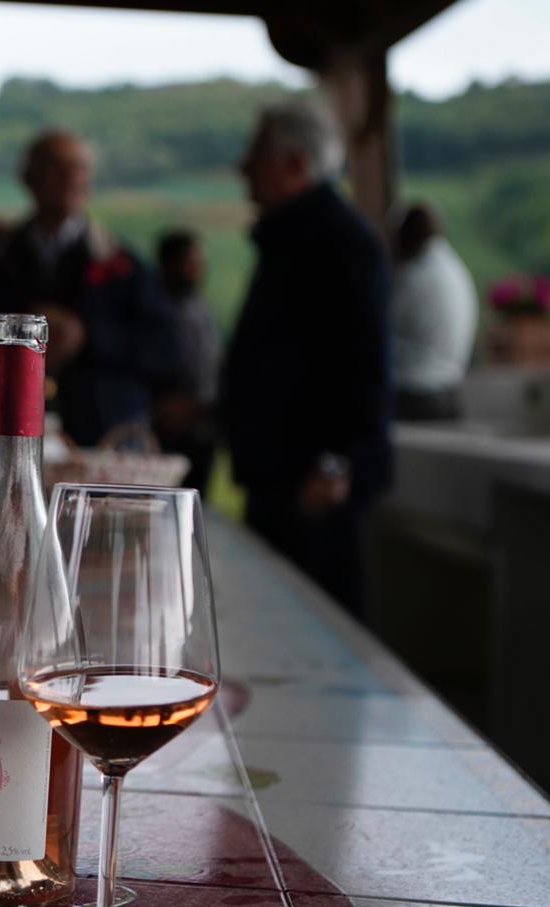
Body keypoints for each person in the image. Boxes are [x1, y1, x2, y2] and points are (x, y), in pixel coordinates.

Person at [221, 97, 393, 618]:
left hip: (315, 486)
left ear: (295, 163)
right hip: (283, 477)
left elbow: (363, 365)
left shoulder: (339, 241)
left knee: (324, 630)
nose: (243, 168)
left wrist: (338, 463)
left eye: (256, 157)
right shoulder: (294, 237)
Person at [0, 129, 178, 476]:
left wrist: (87, 336)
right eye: (56, 167)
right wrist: (19, 336)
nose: (70, 177)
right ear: (29, 179)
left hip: (103, 444)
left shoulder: (122, 265)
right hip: (14, 445)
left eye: (78, 168)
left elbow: (163, 349)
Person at [390, 202, 477, 420]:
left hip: (414, 396)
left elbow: (381, 329)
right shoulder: (453, 267)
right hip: (450, 394)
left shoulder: (413, 275)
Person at [154, 229, 222, 494]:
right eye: (189, 262)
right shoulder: (153, 311)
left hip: (202, 427)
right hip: (167, 428)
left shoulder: (199, 308)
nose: (196, 269)